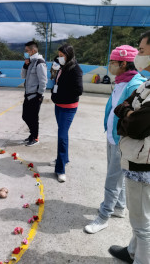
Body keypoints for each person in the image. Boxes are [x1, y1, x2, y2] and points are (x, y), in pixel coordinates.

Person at [85, 45, 145, 234]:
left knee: (112, 179)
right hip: (112, 135)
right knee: (117, 175)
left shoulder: (134, 85)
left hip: (121, 139)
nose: (109, 66)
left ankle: (104, 216)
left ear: (124, 63)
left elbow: (132, 117)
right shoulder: (120, 81)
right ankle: (119, 208)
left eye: (112, 62)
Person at [108, 31, 150, 263]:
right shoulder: (146, 84)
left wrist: (129, 114)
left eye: (142, 51)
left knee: (142, 222)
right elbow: (123, 108)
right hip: (136, 157)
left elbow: (136, 125)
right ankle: (133, 251)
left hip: (144, 163)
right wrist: (129, 112)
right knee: (138, 215)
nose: (139, 55)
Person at [50, 44, 83, 183]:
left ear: (69, 55)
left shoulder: (75, 69)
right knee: (63, 133)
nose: (60, 58)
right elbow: (56, 83)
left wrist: (61, 94)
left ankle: (60, 169)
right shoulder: (61, 68)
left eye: (62, 55)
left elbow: (78, 90)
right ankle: (64, 158)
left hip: (68, 107)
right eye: (59, 55)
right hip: (58, 106)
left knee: (62, 136)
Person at [21, 41, 47, 146]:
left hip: (35, 95)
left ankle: (35, 137)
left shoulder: (40, 62)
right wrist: (25, 65)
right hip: (28, 94)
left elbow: (43, 81)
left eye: (27, 51)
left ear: (33, 51)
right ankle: (32, 134)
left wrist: (40, 95)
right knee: (25, 116)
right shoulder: (30, 62)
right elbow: (23, 76)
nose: (25, 53)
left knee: (33, 118)